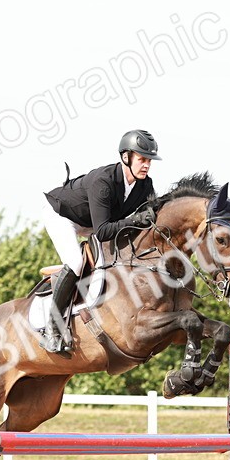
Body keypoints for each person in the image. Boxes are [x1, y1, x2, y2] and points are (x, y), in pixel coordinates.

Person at [38, 129, 161, 353]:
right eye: (142, 159)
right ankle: (51, 328)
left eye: (149, 161)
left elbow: (152, 214)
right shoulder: (104, 181)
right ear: (126, 157)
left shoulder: (145, 185)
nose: (146, 165)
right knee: (75, 262)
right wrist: (135, 219)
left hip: (93, 222)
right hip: (63, 215)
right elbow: (103, 231)